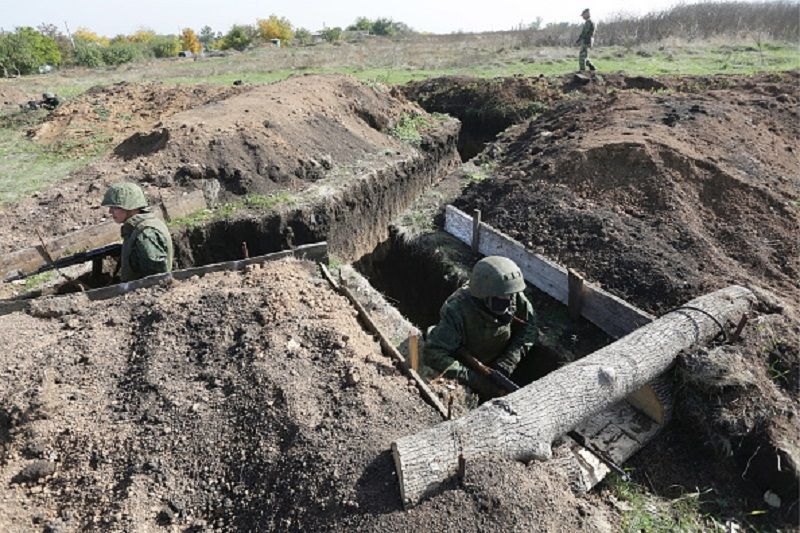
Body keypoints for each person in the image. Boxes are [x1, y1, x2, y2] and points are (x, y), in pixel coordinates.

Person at [424, 256, 538, 399]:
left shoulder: (509, 293)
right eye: (500, 303)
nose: (508, 305)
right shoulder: (457, 310)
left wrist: (509, 361)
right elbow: (433, 353)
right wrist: (475, 380)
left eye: (511, 297)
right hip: (466, 360)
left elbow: (531, 328)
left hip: (497, 360)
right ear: (484, 297)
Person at [101, 182, 173, 282]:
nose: (110, 211)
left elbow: (157, 279)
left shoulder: (146, 233)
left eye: (115, 207)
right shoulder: (138, 228)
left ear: (131, 207)